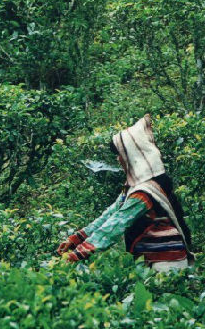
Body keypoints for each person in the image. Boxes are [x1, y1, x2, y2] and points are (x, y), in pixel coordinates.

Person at [57, 114, 194, 271]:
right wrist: (76, 238)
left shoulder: (144, 192)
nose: (118, 159)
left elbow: (115, 225)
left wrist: (77, 254)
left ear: (132, 156)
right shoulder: (134, 187)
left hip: (165, 263)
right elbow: (110, 215)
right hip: (152, 259)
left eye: (120, 155)